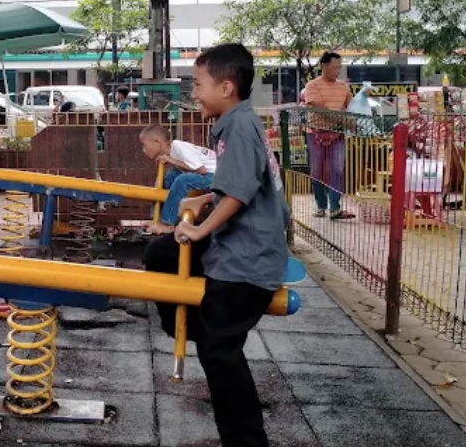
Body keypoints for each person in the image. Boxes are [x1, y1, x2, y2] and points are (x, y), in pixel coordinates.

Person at [146, 43, 290, 447]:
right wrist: (205, 198)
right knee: (160, 253)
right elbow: (239, 182)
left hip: (248, 260)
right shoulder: (237, 122)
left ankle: (247, 441)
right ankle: (198, 326)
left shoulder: (239, 127)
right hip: (243, 247)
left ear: (226, 88)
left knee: (220, 352)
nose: (194, 93)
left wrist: (201, 229)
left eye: (198, 84)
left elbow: (240, 193)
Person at [302, 51, 355, 220]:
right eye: (334, 68)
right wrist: (345, 122)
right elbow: (320, 109)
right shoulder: (312, 85)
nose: (337, 71)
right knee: (317, 170)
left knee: (337, 169)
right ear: (324, 66)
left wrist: (358, 113)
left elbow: (352, 108)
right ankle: (321, 205)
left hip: (337, 134)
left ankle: (335, 208)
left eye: (339, 68)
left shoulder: (344, 87)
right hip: (315, 134)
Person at [139, 124, 218, 234]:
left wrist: (171, 160)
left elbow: (201, 169)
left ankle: (167, 223)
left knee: (182, 180)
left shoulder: (178, 146)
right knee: (170, 176)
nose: (143, 150)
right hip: (207, 173)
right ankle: (157, 218)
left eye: (144, 145)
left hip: (215, 175)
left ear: (157, 142)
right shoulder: (173, 151)